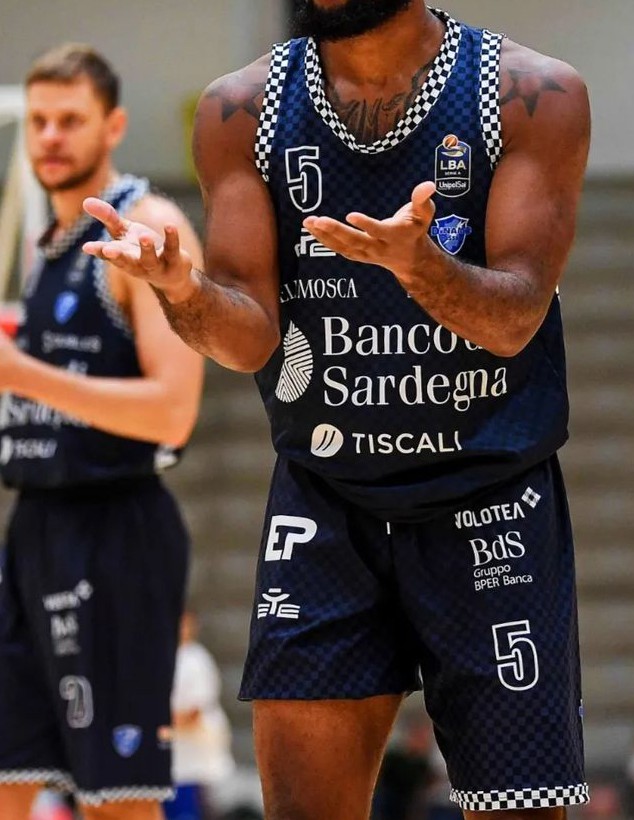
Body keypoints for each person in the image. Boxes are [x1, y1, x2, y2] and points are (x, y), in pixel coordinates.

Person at [83, 1, 591, 817]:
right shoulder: (239, 109)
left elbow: (514, 320)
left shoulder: (530, 93)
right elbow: (249, 337)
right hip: (326, 496)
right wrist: (182, 292)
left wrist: (420, 267)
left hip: (489, 494)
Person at [0, 44, 204, 820]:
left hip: (116, 528)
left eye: (70, 120)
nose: (50, 136)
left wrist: (22, 376)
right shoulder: (49, 244)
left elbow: (172, 410)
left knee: (115, 798)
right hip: (34, 524)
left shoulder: (147, 227)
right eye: (40, 121)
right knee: (7, 776)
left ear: (113, 125)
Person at [163, 610, 237, 820]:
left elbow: (194, 711)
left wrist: (158, 727)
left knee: (193, 808)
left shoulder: (196, 660)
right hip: (176, 752)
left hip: (194, 750)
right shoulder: (164, 656)